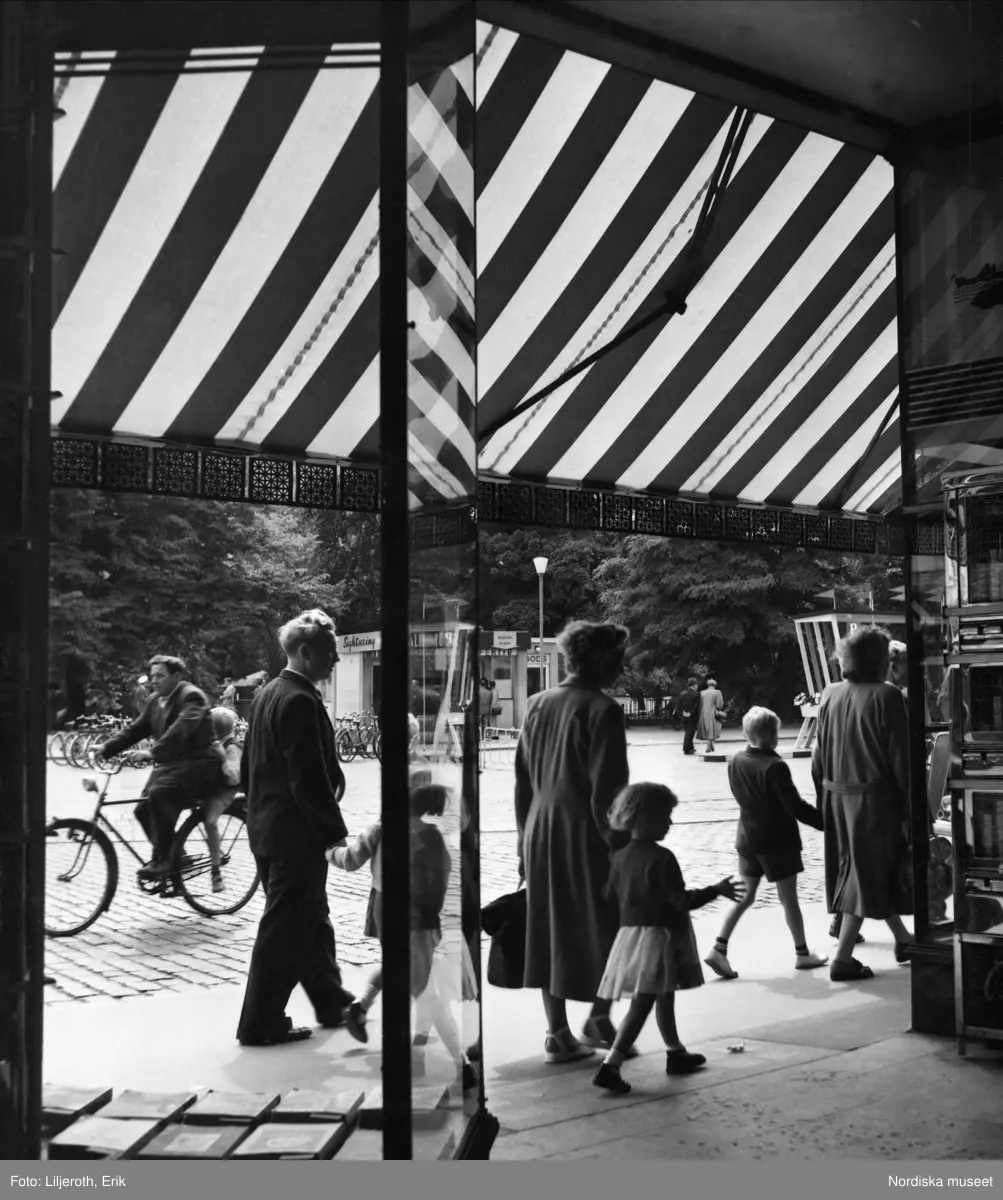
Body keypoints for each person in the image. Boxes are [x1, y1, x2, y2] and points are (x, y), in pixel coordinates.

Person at [236, 610, 355, 1046]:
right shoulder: (301, 700)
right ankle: (260, 1022)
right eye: (330, 651)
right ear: (306, 652)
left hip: (268, 831)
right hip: (295, 835)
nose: (336, 660)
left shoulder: (270, 692)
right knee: (285, 929)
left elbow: (249, 768)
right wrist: (334, 836)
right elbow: (309, 780)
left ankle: (330, 1000)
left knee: (311, 920)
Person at [515, 620, 631, 1064]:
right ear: (597, 657)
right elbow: (608, 792)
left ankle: (557, 1031)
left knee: (549, 924)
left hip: (541, 827)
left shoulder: (537, 704)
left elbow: (522, 780)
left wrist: (523, 837)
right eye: (616, 656)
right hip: (584, 829)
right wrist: (621, 846)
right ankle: (600, 1015)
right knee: (612, 920)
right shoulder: (602, 709)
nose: (620, 665)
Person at [591, 782, 744, 1094]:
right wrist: (717, 890)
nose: (670, 823)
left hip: (631, 937)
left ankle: (675, 1051)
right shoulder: (663, 858)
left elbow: (609, 895)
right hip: (658, 940)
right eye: (666, 816)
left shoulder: (619, 857)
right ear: (647, 819)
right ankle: (611, 1064)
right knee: (644, 1002)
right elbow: (682, 901)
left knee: (663, 995)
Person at [329, 771, 476, 1091]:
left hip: (387, 913)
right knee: (425, 992)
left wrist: (330, 851)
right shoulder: (434, 838)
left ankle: (397, 1043)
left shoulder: (383, 829)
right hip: (420, 923)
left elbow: (351, 859)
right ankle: (452, 1062)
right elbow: (446, 887)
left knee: (402, 976)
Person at [812, 625, 913, 982]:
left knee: (865, 872)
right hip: (874, 802)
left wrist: (823, 799)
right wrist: (917, 810)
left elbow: (818, 756)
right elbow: (903, 761)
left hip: (837, 797)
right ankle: (842, 958)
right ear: (878, 660)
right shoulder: (887, 697)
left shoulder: (830, 693)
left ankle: (903, 940)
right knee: (866, 873)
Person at [703, 706, 828, 980]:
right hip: (777, 839)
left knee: (745, 895)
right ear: (773, 735)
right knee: (789, 899)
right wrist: (827, 824)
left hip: (747, 837)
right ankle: (802, 953)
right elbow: (795, 807)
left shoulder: (735, 760)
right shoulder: (776, 766)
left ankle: (718, 947)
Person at [98, 655, 221, 878]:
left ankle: (165, 861)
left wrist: (151, 752)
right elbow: (135, 730)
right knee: (142, 808)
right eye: (152, 676)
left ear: (177, 676)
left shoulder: (192, 696)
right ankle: (177, 856)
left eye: (160, 676)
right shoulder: (156, 701)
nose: (154, 681)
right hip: (173, 767)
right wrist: (106, 748)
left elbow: (180, 730)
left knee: (159, 795)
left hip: (200, 766)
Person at [204, 707, 243, 894]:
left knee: (210, 821)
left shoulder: (232, 746)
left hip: (224, 790)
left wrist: (222, 758)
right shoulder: (215, 742)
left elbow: (234, 777)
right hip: (211, 786)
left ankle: (216, 871)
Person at [697, 678, 725, 753]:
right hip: (713, 712)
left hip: (703, 712)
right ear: (715, 685)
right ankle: (708, 747)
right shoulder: (717, 692)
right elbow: (720, 705)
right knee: (713, 729)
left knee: (707, 729)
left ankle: (711, 745)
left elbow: (699, 704)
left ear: (708, 684)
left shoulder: (702, 692)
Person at [677, 677, 700, 755]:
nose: (697, 686)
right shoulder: (696, 694)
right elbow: (696, 706)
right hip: (692, 717)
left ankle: (691, 748)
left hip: (684, 716)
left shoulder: (682, 694)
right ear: (694, 685)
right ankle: (686, 749)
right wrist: (690, 713)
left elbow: (678, 706)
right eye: (696, 684)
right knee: (690, 733)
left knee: (688, 732)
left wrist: (683, 713)